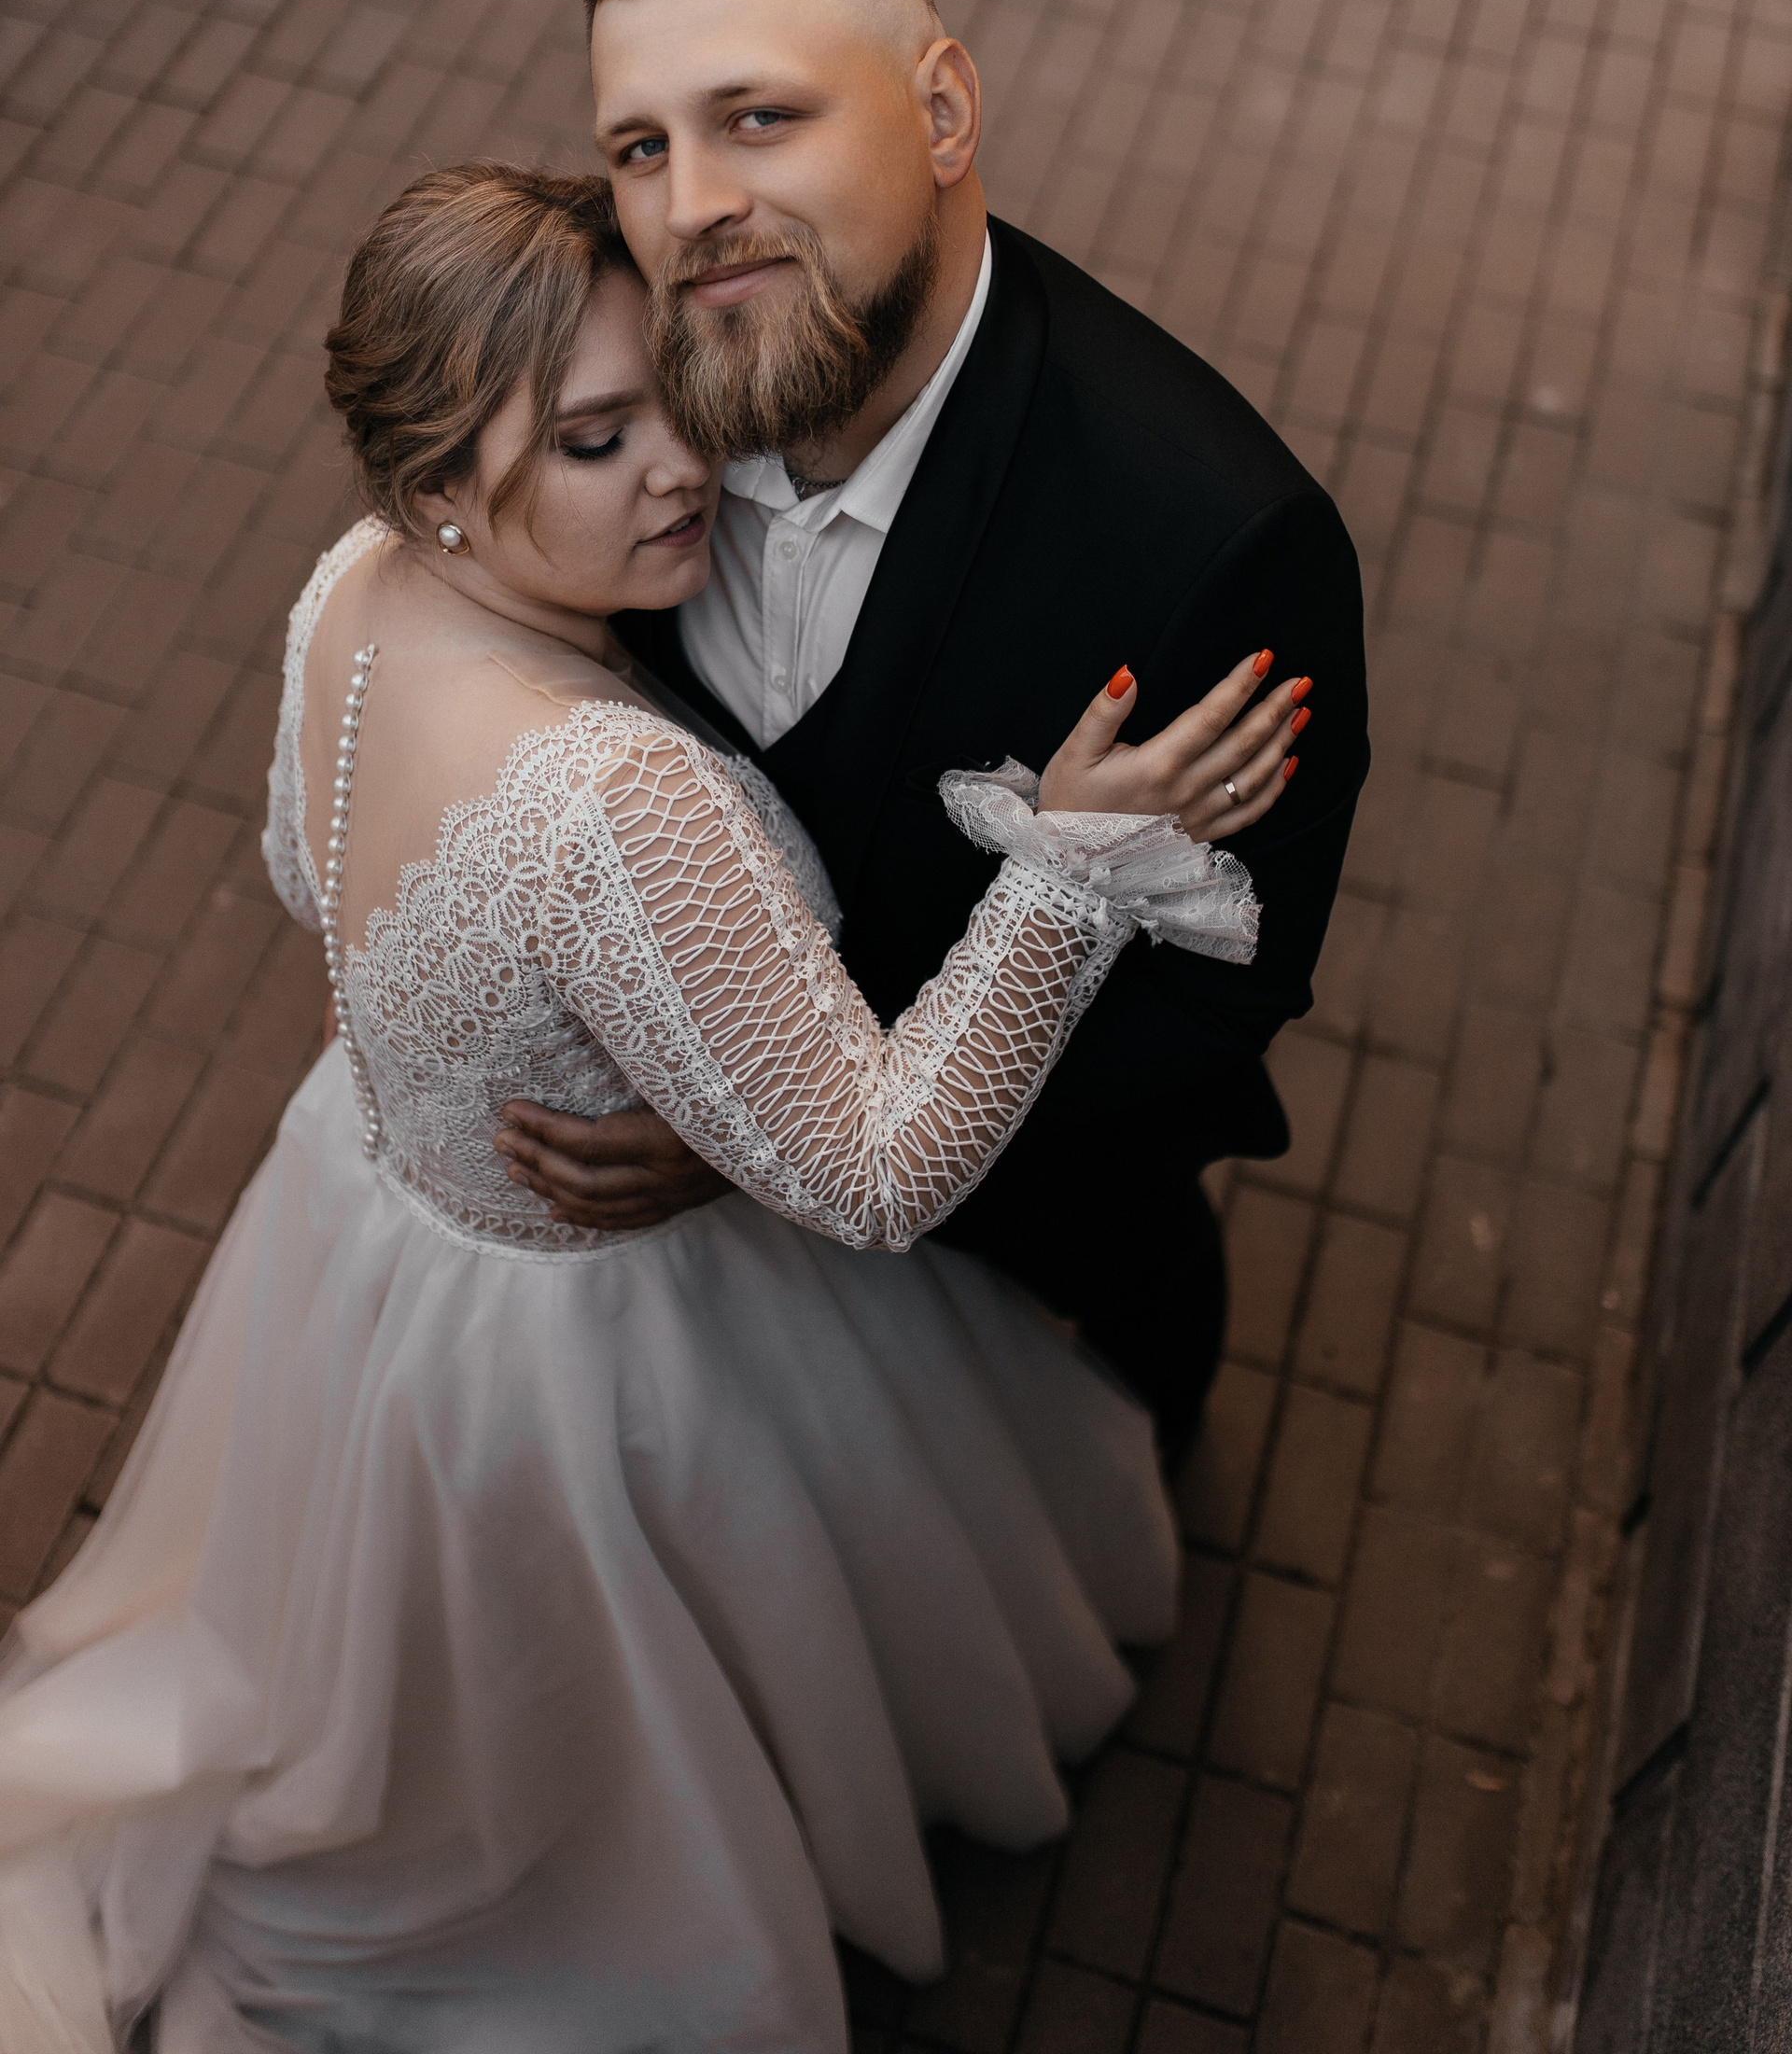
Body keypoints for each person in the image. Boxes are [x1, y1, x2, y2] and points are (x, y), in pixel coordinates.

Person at [0, 166, 1305, 2053]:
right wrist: (1069, 873)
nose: (685, 471)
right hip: (585, 1346)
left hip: (372, 1221)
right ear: (443, 483)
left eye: (671, 403)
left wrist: (496, 1064)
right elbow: (877, 1171)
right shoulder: (607, 798)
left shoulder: (349, 590)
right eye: (595, 441)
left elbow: (308, 868)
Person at [497, 0, 1371, 1453]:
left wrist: (782, 1141)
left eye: (760, 117)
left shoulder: (1213, 546)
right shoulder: (619, 397)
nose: (690, 208)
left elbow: (1207, 1017)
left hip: (1032, 1273)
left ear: (945, 111)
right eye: (640, 146)